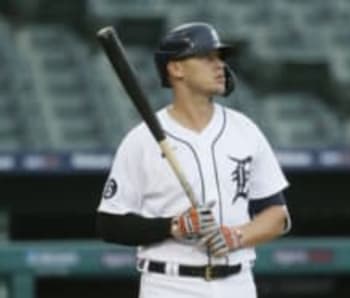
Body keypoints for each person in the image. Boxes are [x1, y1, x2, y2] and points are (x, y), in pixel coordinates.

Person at [96, 22, 291, 298]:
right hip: (170, 284)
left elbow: (277, 216)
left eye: (220, 57)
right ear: (176, 69)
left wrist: (234, 236)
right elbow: (109, 224)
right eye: (207, 57)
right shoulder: (142, 139)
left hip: (238, 284)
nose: (219, 65)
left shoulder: (245, 130)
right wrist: (173, 226)